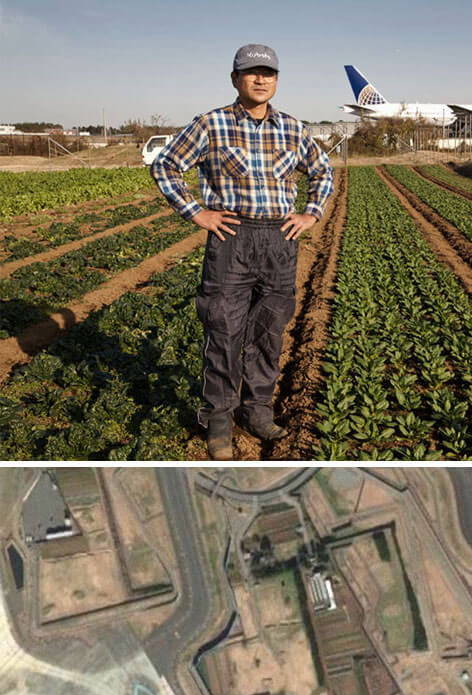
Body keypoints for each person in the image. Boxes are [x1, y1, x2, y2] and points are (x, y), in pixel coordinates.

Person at [151, 43, 334, 460]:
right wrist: (196, 212)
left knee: (269, 331)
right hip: (231, 238)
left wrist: (311, 213)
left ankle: (257, 410)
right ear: (235, 79)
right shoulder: (210, 124)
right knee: (223, 331)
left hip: (279, 241)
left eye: (268, 73)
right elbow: (165, 165)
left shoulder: (293, 128)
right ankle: (218, 418)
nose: (260, 79)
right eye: (251, 72)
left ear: (276, 80)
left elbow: (322, 171)